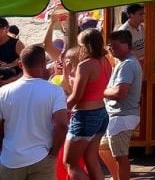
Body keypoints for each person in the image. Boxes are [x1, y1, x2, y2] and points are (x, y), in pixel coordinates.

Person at [0, 45, 69, 180]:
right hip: (42, 157)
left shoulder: (3, 92)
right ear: (44, 63)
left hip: (10, 159)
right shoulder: (55, 91)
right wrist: (54, 153)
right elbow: (62, 125)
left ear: (20, 64)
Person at [63, 28, 112, 180]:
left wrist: (62, 110)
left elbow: (76, 96)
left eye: (80, 45)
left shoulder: (85, 65)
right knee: (91, 160)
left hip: (85, 116)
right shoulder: (106, 62)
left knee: (71, 163)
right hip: (101, 113)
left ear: (86, 45)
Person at [99, 30, 142, 180]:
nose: (111, 48)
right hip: (119, 116)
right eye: (110, 45)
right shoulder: (124, 63)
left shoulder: (127, 65)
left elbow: (120, 93)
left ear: (126, 45)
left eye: (114, 46)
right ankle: (117, 177)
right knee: (103, 148)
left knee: (121, 157)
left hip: (122, 116)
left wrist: (100, 92)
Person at [0, 17, 24, 84]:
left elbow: (29, 67)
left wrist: (11, 80)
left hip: (13, 81)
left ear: (6, 29)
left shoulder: (16, 44)